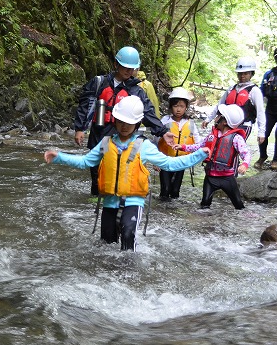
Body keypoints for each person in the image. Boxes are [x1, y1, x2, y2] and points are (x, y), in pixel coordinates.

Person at [46, 96, 208, 251]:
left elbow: (170, 164)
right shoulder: (105, 143)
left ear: (137, 123)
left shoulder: (144, 146)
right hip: (110, 202)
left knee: (128, 236)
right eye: (121, 122)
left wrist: (199, 154)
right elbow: (85, 161)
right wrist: (59, 157)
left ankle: (129, 273)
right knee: (106, 245)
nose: (124, 126)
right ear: (115, 120)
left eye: (128, 123)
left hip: (133, 202)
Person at [72, 46, 173, 195]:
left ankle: (115, 195)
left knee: (114, 166)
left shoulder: (136, 90)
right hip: (99, 132)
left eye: (132, 68)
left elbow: (147, 112)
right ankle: (97, 196)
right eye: (125, 67)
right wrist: (80, 129)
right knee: (96, 167)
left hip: (120, 134)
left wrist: (163, 131)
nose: (128, 71)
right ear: (116, 64)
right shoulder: (99, 82)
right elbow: (85, 105)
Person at [177, 104, 250, 210]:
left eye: (218, 115)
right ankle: (205, 224)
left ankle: (248, 221)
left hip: (227, 178)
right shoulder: (212, 136)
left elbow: (246, 153)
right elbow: (199, 146)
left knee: (238, 204)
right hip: (210, 176)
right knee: (205, 203)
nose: (215, 118)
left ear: (224, 121)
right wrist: (183, 147)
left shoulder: (236, 138)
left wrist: (244, 164)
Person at [201, 57, 265, 143]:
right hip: (227, 125)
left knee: (234, 151)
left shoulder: (255, 91)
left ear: (251, 74)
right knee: (220, 148)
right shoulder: (231, 89)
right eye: (240, 73)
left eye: (245, 73)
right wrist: (208, 119)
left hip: (244, 125)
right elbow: (219, 106)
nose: (242, 76)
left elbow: (260, 112)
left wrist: (261, 132)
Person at [156, 87, 200, 201]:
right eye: (176, 106)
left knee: (175, 192)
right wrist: (156, 161)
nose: (178, 109)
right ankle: (163, 210)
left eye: (181, 106)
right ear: (171, 106)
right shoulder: (165, 121)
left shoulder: (190, 124)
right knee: (165, 190)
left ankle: (172, 211)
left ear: (186, 107)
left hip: (182, 161)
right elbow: (155, 140)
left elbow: (198, 142)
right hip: (165, 160)